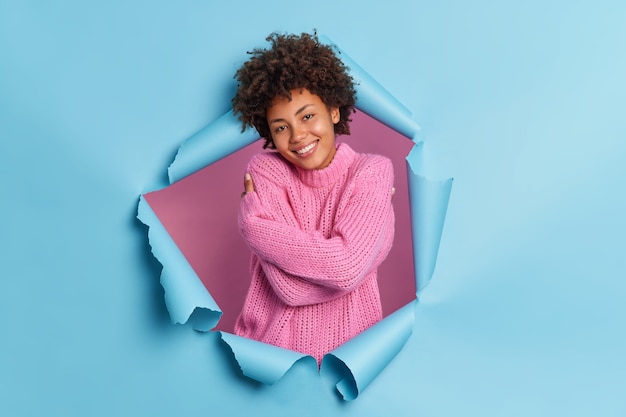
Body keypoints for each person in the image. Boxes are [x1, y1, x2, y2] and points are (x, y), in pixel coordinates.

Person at [231, 32, 395, 363]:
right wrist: (354, 257)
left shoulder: (372, 171)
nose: (297, 136)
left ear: (334, 110)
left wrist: (254, 226)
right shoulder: (266, 170)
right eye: (280, 127)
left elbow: (345, 268)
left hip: (351, 363)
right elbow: (288, 289)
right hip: (268, 359)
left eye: (307, 116)